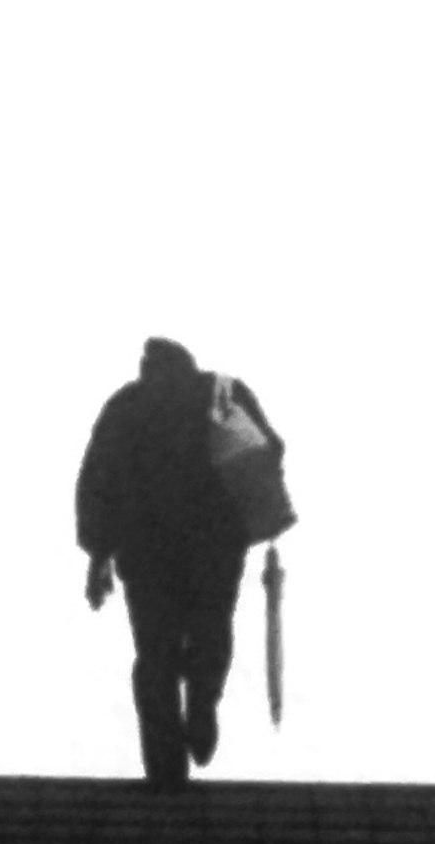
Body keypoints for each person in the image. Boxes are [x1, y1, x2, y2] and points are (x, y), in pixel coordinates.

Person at [75, 336, 283, 787]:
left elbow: (97, 482)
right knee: (211, 631)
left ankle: (165, 766)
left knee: (155, 654)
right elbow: (268, 451)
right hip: (216, 548)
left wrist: (97, 556)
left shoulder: (127, 407)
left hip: (147, 554)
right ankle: (204, 700)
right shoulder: (221, 393)